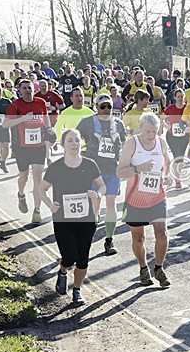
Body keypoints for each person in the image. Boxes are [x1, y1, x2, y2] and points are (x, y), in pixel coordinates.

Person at [39, 128, 106, 306]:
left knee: (82, 258)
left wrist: (97, 195)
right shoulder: (55, 167)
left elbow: (102, 186)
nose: (74, 144)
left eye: (77, 140)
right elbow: (41, 189)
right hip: (63, 219)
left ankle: (76, 290)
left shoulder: (90, 164)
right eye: (70, 140)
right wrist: (49, 205)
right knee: (69, 256)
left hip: (86, 219)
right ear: (62, 145)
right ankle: (62, 271)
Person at [116, 113, 173, 288]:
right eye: (147, 131)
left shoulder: (161, 142)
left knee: (162, 233)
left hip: (157, 195)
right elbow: (120, 172)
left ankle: (158, 268)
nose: (151, 135)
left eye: (154, 131)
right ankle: (143, 268)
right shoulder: (132, 144)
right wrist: (138, 169)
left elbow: (167, 163)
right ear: (140, 128)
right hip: (135, 198)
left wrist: (168, 176)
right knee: (139, 238)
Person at [77, 94, 127, 255]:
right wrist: (79, 154)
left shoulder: (118, 124)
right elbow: (73, 139)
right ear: (96, 107)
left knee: (111, 204)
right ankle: (88, 236)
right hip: (93, 171)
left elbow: (124, 145)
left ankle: (109, 240)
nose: (106, 110)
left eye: (109, 107)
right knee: (95, 206)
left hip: (112, 170)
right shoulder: (87, 122)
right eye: (102, 106)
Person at [3, 79, 52, 224]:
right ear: (20, 90)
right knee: (23, 178)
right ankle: (21, 194)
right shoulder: (15, 105)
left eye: (29, 88)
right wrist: (23, 118)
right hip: (22, 148)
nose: (27, 90)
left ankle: (37, 211)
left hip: (39, 146)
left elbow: (45, 117)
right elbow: (5, 124)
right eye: (24, 88)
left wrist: (48, 128)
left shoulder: (40, 102)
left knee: (38, 178)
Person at [162, 88, 188, 188]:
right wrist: (166, 126)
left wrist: (188, 126)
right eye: (178, 97)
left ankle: (176, 175)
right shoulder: (170, 108)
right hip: (172, 136)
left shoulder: (187, 108)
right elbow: (162, 118)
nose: (180, 98)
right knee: (177, 156)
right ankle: (178, 179)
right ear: (175, 97)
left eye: (182, 97)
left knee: (180, 158)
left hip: (184, 136)